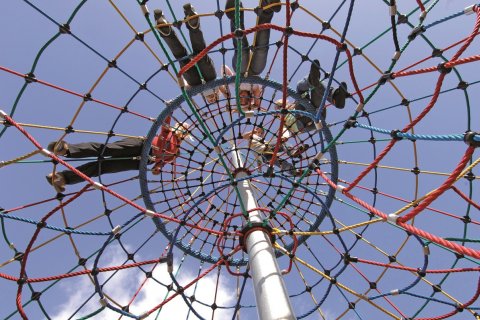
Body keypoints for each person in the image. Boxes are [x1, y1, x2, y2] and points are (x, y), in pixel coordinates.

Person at [45, 119, 190, 192]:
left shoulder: (174, 153)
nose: (182, 131)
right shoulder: (169, 133)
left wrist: (157, 169)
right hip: (141, 145)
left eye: (185, 131)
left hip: (141, 161)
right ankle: (67, 149)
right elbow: (165, 124)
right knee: (107, 149)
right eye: (182, 128)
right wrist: (170, 112)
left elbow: (160, 165)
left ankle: (64, 178)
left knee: (104, 167)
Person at [221, 0, 281, 109]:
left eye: (241, 101)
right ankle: (267, 9)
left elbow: (223, 68)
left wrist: (227, 84)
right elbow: (258, 94)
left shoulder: (235, 86)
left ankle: (235, 13)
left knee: (242, 50)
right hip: (255, 72)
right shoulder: (255, 89)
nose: (243, 98)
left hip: (240, 71)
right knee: (262, 48)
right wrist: (255, 105)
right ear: (250, 99)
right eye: (246, 101)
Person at [154, 4, 219, 103]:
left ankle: (166, 32)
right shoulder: (218, 87)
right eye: (214, 99)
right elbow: (225, 84)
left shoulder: (197, 91)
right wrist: (223, 92)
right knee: (201, 55)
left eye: (210, 101)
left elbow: (185, 93)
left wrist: (172, 100)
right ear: (217, 95)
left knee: (183, 60)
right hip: (211, 79)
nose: (211, 99)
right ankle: (193, 25)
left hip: (195, 84)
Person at [274, 59, 349, 136]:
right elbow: (284, 131)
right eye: (279, 107)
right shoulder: (283, 119)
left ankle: (335, 97)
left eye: (280, 106)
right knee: (300, 89)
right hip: (303, 121)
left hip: (313, 111)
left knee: (315, 87)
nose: (280, 108)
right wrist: (284, 136)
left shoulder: (292, 106)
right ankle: (313, 83)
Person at [242, 127, 307, 176]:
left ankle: (293, 155)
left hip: (267, 151)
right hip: (263, 154)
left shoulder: (263, 140)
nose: (260, 134)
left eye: (262, 133)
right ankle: (293, 170)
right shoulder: (252, 137)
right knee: (279, 161)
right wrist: (252, 132)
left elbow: (258, 160)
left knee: (282, 145)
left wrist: (259, 170)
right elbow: (244, 136)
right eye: (259, 132)